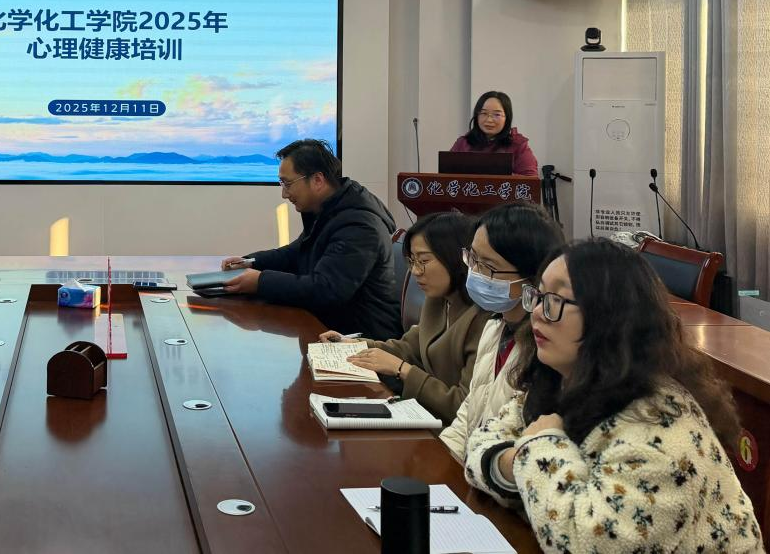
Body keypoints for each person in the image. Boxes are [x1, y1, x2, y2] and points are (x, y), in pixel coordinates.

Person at [465, 240, 762, 552]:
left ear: (609, 317)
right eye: (538, 297)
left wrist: (540, 446)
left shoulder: (658, 423)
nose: (537, 313)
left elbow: (588, 544)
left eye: (555, 300)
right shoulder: (560, 379)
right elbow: (481, 442)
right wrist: (516, 462)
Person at [318, 212, 489, 425]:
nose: (415, 271)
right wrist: (354, 345)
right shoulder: (439, 299)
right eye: (412, 261)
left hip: (450, 430)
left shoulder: (483, 318)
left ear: (456, 258)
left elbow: (461, 406)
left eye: (424, 261)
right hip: (424, 415)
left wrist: (402, 370)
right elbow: (408, 347)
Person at [220, 139, 400, 341]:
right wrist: (250, 262)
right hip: (328, 327)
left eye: (288, 184)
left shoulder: (359, 225)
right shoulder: (329, 209)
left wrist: (260, 282)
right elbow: (295, 253)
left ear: (317, 180)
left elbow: (326, 290)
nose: (284, 194)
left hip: (363, 340)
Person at [438, 201, 562, 459]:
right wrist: (439, 458)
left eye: (489, 267)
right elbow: (469, 413)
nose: (475, 272)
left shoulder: (544, 347)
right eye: (473, 258)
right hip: (472, 467)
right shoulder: (494, 327)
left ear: (531, 277)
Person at [449, 91, 538, 176]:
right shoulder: (463, 143)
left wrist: (495, 174)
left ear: (507, 118)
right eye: (484, 113)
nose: (489, 120)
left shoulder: (518, 145)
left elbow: (530, 180)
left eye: (497, 114)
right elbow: (447, 175)